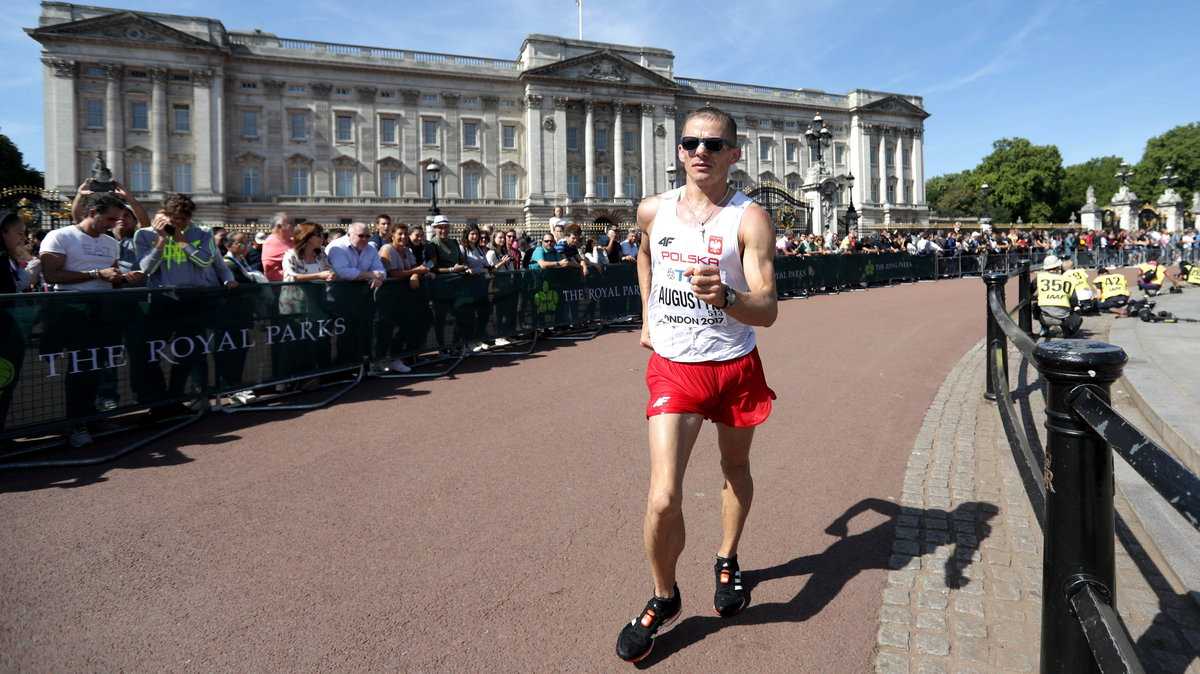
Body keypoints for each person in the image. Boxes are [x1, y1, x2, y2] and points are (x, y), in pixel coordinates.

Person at [616, 107, 777, 663]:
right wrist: (645, 317)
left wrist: (728, 298)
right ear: (680, 152)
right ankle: (665, 595)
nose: (701, 152)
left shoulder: (750, 219)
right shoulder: (651, 210)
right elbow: (642, 255)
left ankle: (728, 557)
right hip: (675, 366)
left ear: (734, 153)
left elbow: (769, 308)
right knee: (663, 497)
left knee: (734, 469)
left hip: (734, 363)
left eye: (714, 144)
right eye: (691, 143)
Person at [40, 192, 145, 445]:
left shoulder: (110, 243)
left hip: (106, 309)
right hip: (73, 309)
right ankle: (76, 423)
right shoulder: (60, 236)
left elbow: (111, 278)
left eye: (117, 219)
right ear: (91, 213)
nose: (113, 224)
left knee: (101, 367)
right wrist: (98, 273)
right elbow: (52, 275)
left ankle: (92, 416)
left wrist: (124, 279)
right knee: (80, 368)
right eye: (110, 219)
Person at [1032, 254, 1079, 338]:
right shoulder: (1068, 280)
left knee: (1035, 306)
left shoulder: (1040, 278)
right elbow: (1074, 300)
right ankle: (1062, 326)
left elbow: (1030, 290)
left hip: (1045, 316)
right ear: (1058, 266)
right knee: (1071, 307)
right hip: (1064, 316)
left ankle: (1044, 327)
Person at [261, 212, 295, 282]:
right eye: (291, 223)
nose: (294, 226)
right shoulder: (272, 242)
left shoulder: (289, 240)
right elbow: (301, 258)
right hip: (280, 287)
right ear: (279, 226)